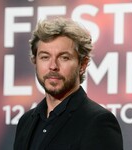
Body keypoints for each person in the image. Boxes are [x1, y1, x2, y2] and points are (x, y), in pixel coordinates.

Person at [13, 17, 123, 150]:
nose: (53, 66)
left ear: (82, 64)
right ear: (35, 61)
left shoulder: (98, 122)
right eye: (45, 57)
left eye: (64, 57)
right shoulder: (26, 121)